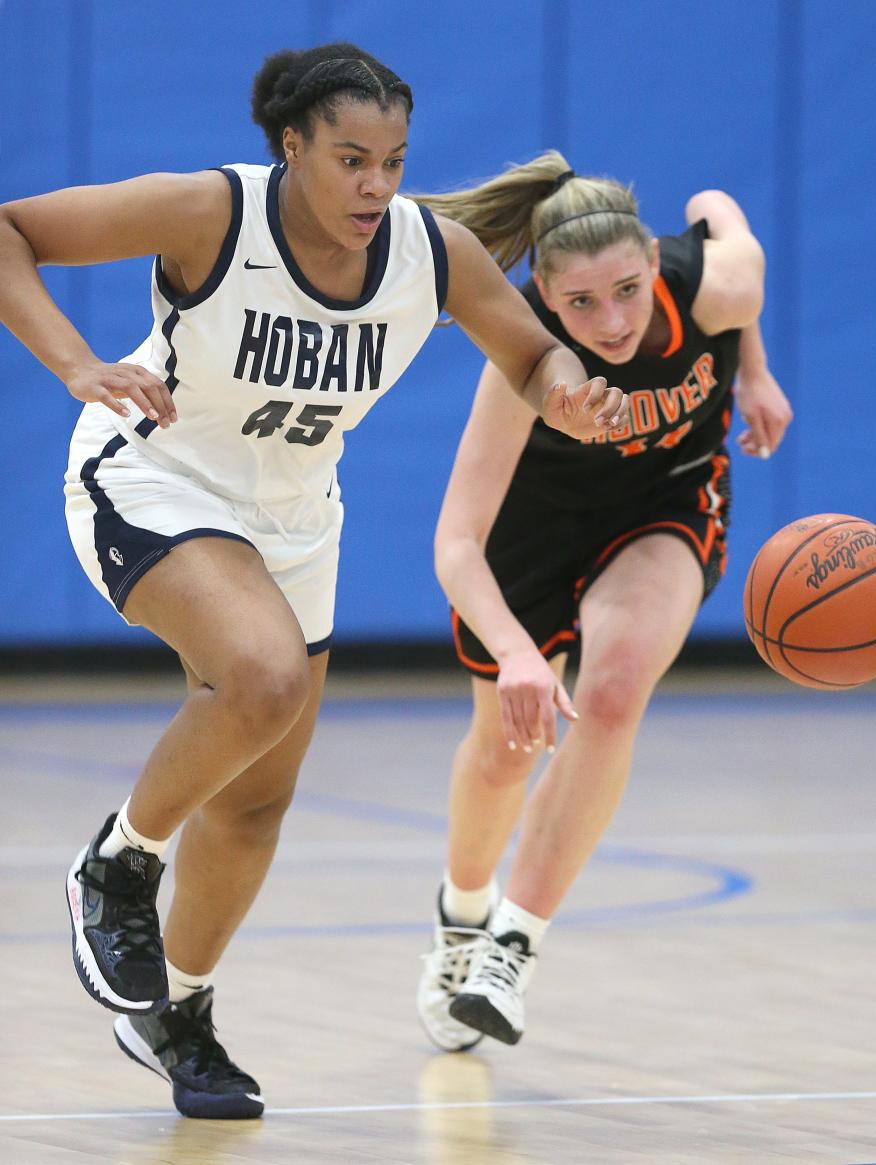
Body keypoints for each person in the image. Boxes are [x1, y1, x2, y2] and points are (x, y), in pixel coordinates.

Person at [0, 51, 625, 1118]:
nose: (376, 187)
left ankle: (178, 1015)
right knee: (262, 677)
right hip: (153, 476)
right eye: (350, 160)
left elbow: (531, 357)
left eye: (392, 162)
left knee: (254, 801)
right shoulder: (212, 212)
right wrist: (73, 363)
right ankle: (115, 867)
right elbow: (11, 230)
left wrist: (569, 396)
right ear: (290, 148)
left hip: (293, 523)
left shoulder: (433, 256)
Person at [415, 152, 793, 1050]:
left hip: (664, 495)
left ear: (652, 266)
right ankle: (461, 917)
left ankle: (513, 945)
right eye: (580, 303)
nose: (611, 321)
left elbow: (716, 204)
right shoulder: (521, 357)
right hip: (532, 528)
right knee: (506, 752)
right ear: (542, 293)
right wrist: (514, 652)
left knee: (614, 691)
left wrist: (753, 372)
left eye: (626, 289)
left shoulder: (715, 285)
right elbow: (456, 543)